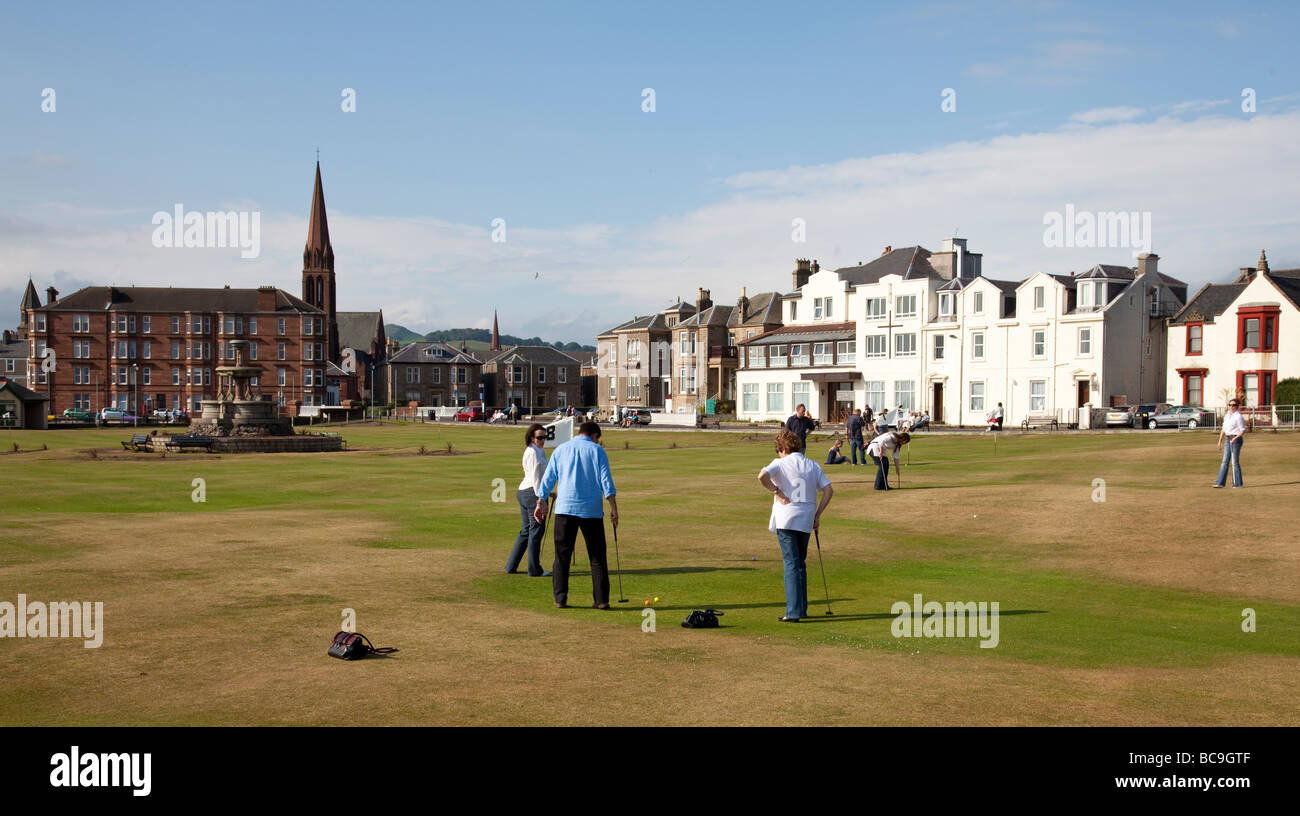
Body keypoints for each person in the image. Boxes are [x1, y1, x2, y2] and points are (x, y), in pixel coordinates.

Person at [534, 421, 618, 608]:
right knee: (597, 557)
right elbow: (606, 481)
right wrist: (613, 507)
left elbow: (548, 479)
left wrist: (541, 502)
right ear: (594, 435)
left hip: (565, 509)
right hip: (591, 511)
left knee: (562, 556)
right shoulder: (597, 451)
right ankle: (601, 600)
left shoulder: (561, 449)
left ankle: (560, 598)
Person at [758, 428, 833, 622]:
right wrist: (818, 515)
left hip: (787, 518)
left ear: (783, 448)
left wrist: (776, 491)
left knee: (791, 564)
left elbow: (762, 476)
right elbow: (828, 491)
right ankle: (800, 609)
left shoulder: (780, 463)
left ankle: (793, 612)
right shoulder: (812, 465)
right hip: (806, 517)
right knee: (799, 564)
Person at [506, 424, 552, 577]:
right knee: (535, 531)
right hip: (531, 494)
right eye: (539, 437)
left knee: (526, 531)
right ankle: (534, 570)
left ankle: (511, 566)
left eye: (545, 437)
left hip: (526, 491)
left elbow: (538, 477)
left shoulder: (538, 451)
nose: (542, 440)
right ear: (532, 437)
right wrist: (541, 499)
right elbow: (535, 478)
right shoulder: (532, 452)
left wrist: (548, 493)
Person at [1214, 398, 1246, 488]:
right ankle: (1220, 483)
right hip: (1228, 439)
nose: (1232, 407)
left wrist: (1235, 439)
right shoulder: (1227, 415)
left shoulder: (1238, 416)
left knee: (1234, 462)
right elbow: (1224, 429)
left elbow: (1242, 430)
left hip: (1236, 440)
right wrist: (1219, 441)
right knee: (1224, 461)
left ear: (1237, 406)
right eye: (1230, 405)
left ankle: (1238, 484)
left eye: (1234, 405)